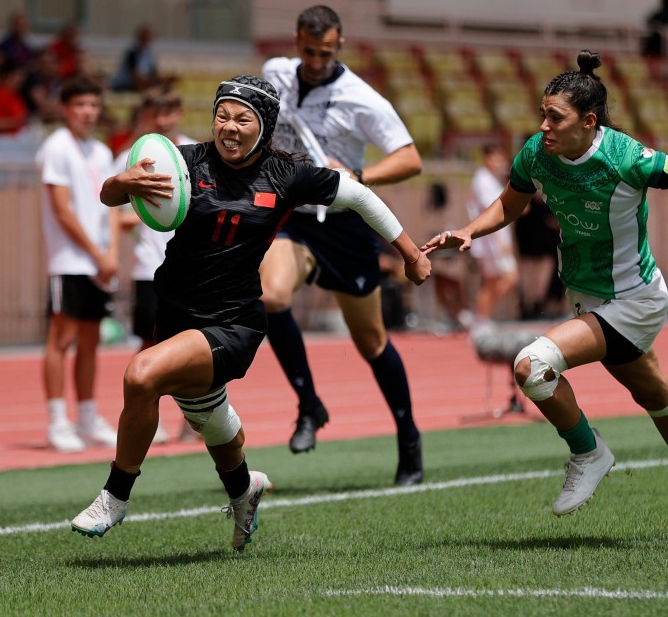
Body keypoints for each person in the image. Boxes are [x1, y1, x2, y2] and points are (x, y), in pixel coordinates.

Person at [421, 50, 668, 539]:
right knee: (654, 394)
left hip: (634, 298)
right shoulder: (536, 153)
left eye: (556, 117)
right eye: (542, 115)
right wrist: (469, 230)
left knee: (532, 367)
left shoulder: (627, 158)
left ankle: (588, 451)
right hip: (587, 295)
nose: (544, 126)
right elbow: (511, 203)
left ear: (589, 122)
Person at [69, 74, 431, 549]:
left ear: (264, 126)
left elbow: (360, 196)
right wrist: (121, 182)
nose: (230, 127)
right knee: (213, 425)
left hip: (233, 323)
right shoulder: (185, 159)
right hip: (176, 314)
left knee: (141, 375)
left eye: (243, 118)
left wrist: (410, 253)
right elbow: (111, 197)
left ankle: (115, 497)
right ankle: (245, 491)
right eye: (222, 115)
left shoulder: (287, 174)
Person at [260, 4, 427, 485]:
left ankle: (409, 438)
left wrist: (358, 176)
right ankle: (309, 404)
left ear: (341, 46)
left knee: (371, 342)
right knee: (270, 296)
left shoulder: (361, 98)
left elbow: (411, 159)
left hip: (344, 222)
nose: (316, 60)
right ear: (296, 40)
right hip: (294, 216)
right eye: (309, 51)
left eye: (326, 52)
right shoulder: (276, 73)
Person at [37, 75, 122, 453]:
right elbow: (62, 211)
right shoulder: (56, 148)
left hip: (99, 263)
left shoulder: (102, 153)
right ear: (65, 109)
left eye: (93, 105)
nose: (87, 112)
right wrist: (95, 253)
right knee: (62, 339)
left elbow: (114, 210)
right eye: (80, 105)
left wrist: (112, 253)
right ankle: (58, 420)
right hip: (70, 260)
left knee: (90, 341)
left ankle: (87, 417)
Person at [114, 84, 198, 444]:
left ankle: (195, 421)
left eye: (169, 112)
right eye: (156, 113)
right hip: (150, 267)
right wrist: (150, 210)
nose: (163, 120)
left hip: (193, 266)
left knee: (196, 345)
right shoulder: (132, 158)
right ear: (147, 116)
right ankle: (145, 413)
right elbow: (118, 216)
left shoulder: (195, 151)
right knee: (149, 346)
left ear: (179, 112)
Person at [468, 143, 519, 328]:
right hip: (490, 241)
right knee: (509, 277)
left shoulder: (493, 179)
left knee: (491, 281)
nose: (500, 162)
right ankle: (482, 316)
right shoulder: (482, 180)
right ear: (487, 158)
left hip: (493, 240)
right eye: (496, 158)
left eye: (502, 159)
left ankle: (482, 318)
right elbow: (488, 212)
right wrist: (499, 241)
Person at [111, 24, 159, 92]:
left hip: (140, 84)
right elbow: (135, 76)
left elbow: (153, 74)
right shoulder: (132, 53)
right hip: (125, 85)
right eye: (144, 37)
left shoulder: (150, 54)